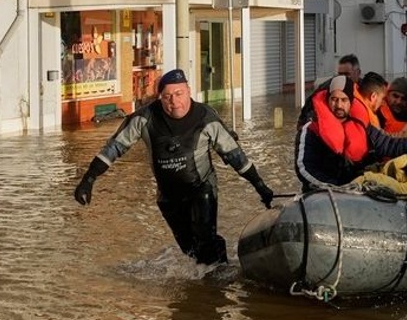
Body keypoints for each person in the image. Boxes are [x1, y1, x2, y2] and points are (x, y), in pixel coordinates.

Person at [72, 69, 274, 265]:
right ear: (160, 97)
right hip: (168, 195)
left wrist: (261, 187)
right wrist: (88, 180)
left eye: (179, 94)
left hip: (202, 188)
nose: (174, 101)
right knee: (190, 250)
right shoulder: (144, 118)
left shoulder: (206, 117)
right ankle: (214, 272)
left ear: (189, 91)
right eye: (167, 96)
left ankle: (217, 286)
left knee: (205, 242)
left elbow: (235, 156)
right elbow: (114, 148)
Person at [295, 74, 407, 191]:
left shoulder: (361, 125)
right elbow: (304, 168)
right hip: (322, 192)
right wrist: (335, 188)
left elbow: (388, 144)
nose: (339, 105)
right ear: (327, 100)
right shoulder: (311, 129)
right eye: (334, 99)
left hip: (353, 190)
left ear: (351, 102)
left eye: (344, 100)